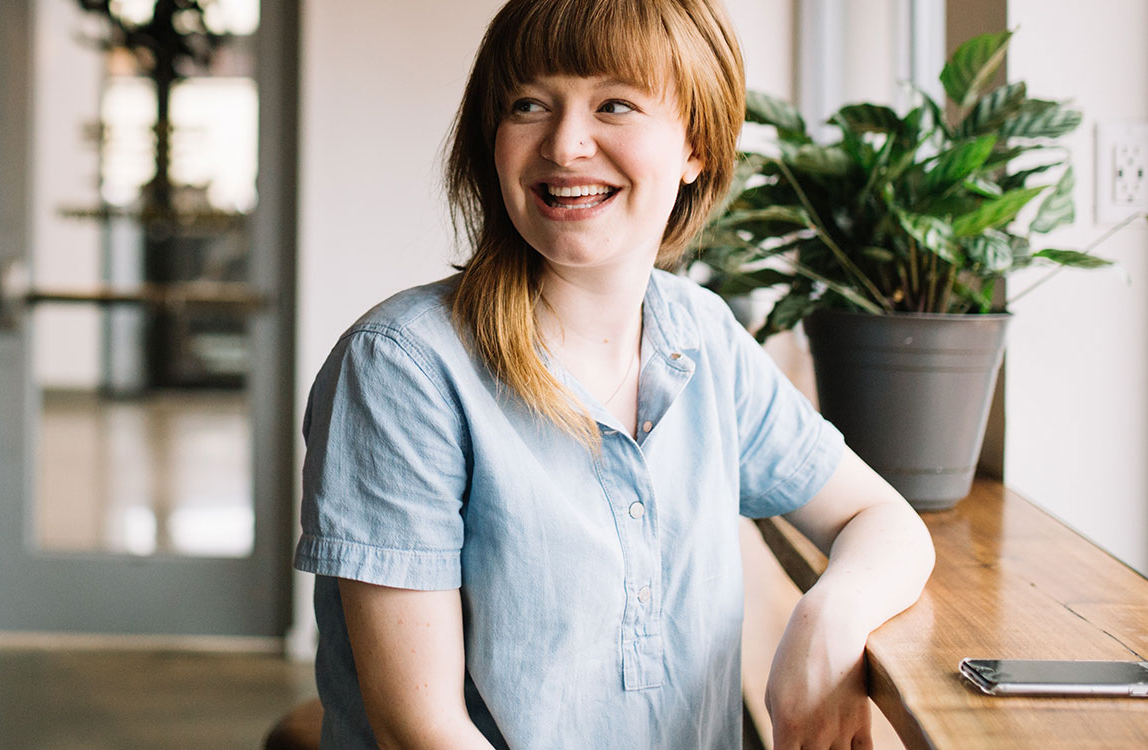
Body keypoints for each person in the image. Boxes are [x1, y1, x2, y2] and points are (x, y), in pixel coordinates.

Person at [293, 0, 936, 747]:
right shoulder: (402, 368)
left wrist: (830, 617)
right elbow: (421, 730)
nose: (565, 145)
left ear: (695, 144)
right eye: (528, 104)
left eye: (615, 104)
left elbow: (884, 521)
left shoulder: (702, 338)